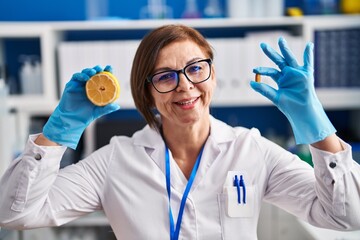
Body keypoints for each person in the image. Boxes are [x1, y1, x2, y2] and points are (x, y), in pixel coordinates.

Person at [0, 24, 359, 240]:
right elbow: (14, 214)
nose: (185, 86)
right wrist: (57, 132)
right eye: (166, 76)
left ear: (212, 76)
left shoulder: (252, 150)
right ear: (149, 93)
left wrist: (318, 129)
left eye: (195, 69)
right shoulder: (114, 161)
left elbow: (347, 216)